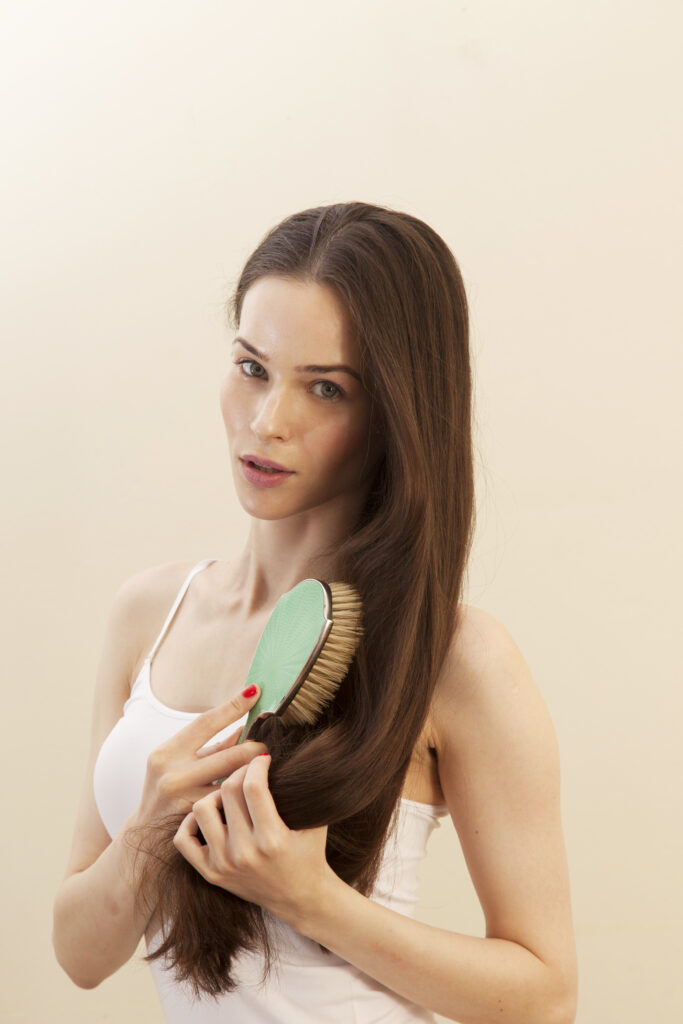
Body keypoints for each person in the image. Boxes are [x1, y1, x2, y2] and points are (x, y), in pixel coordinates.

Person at [52, 201, 578, 1023]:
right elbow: (80, 954)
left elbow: (544, 996)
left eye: (325, 388)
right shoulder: (149, 613)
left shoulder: (453, 656)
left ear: (394, 412)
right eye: (252, 367)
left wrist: (312, 902)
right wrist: (151, 831)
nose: (267, 423)